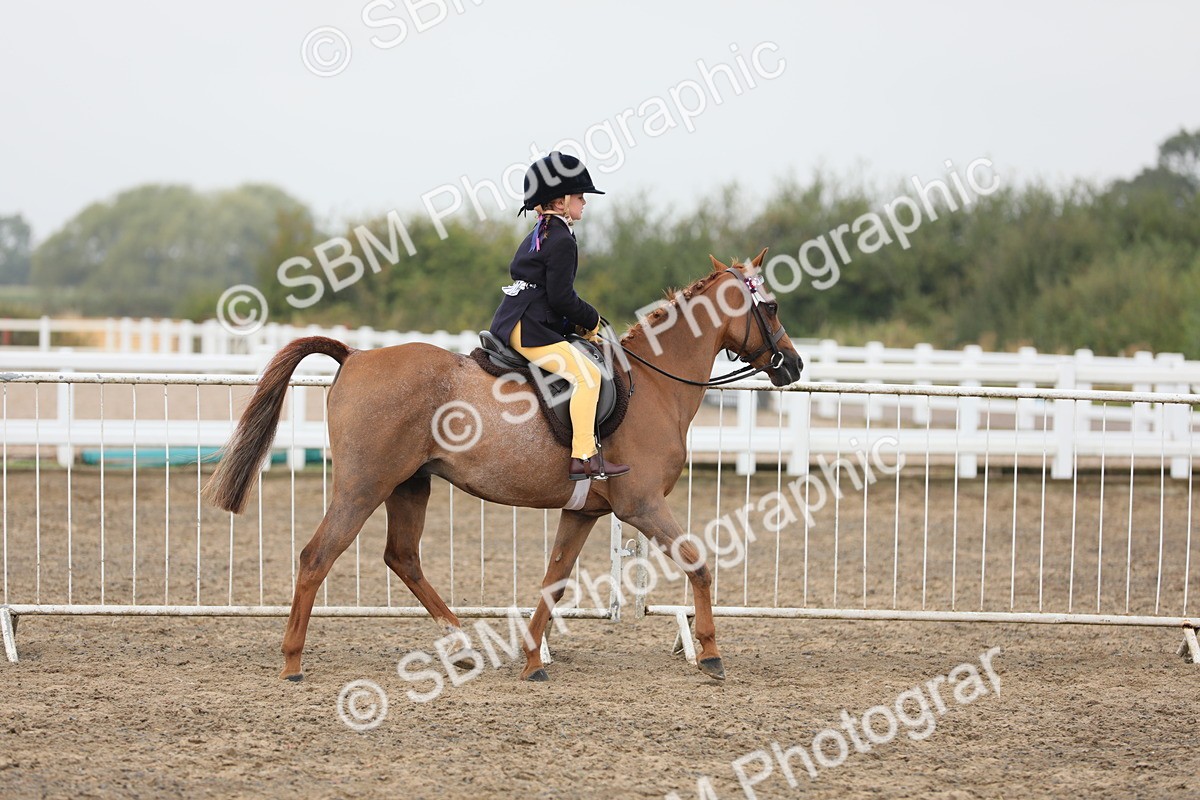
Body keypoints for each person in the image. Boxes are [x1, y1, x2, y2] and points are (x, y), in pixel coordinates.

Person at [488, 152, 630, 481]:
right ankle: (583, 458)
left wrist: (573, 323)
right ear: (562, 200)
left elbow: (544, 292)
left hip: (516, 320)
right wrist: (593, 320)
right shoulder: (562, 239)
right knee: (588, 377)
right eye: (580, 196)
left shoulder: (540, 233)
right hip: (531, 328)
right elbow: (561, 297)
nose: (584, 203)